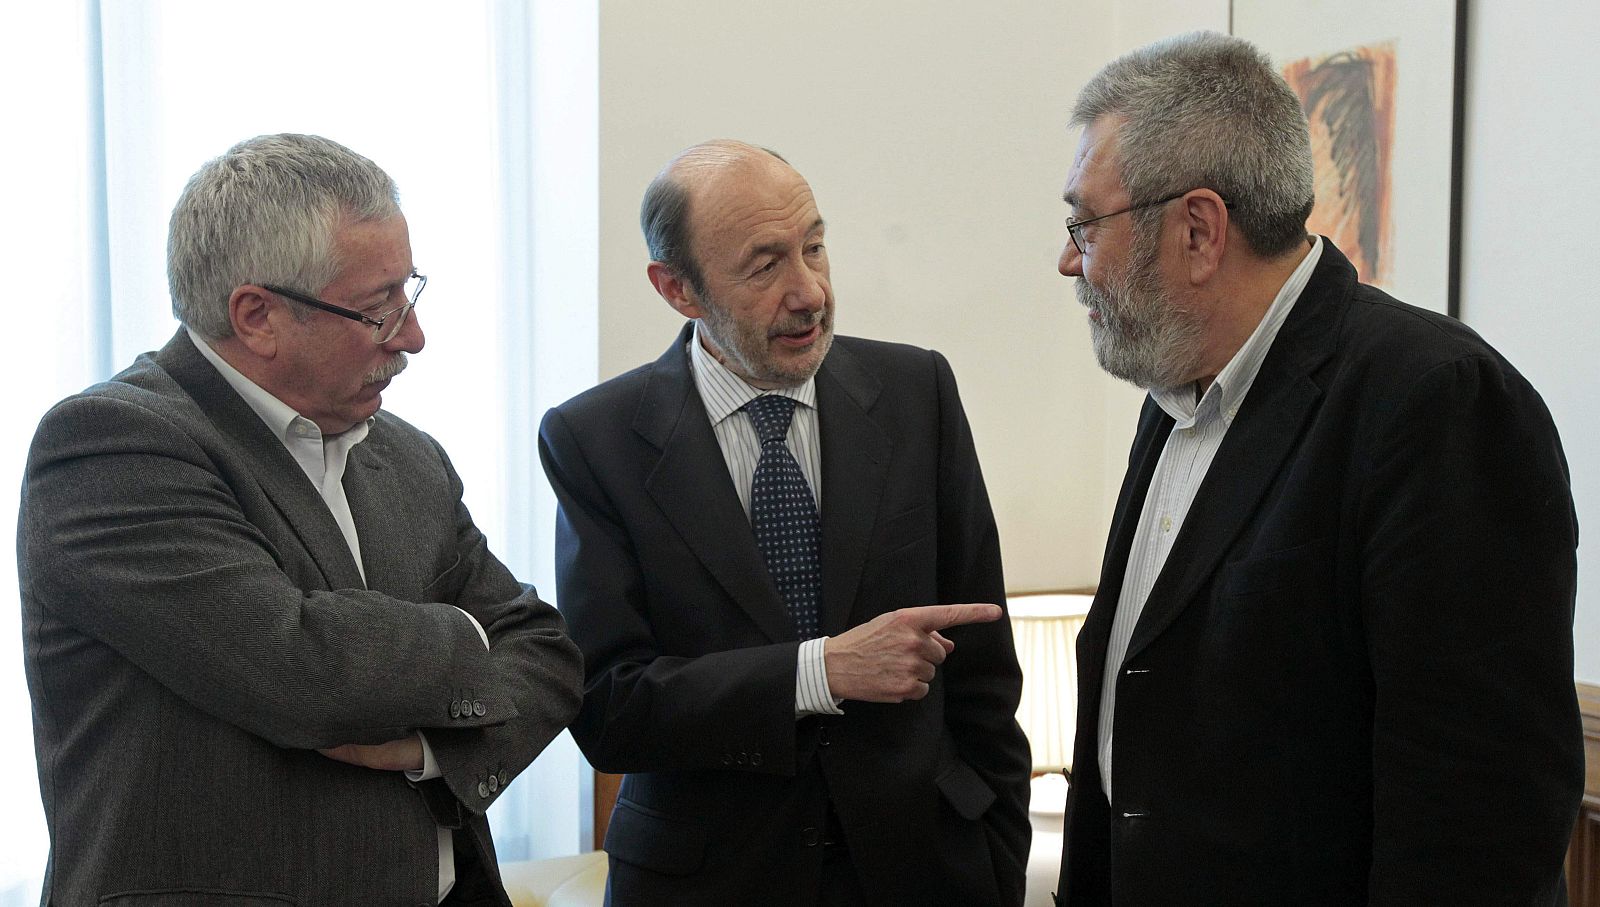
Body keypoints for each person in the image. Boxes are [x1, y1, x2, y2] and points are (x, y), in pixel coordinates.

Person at [1053, 32, 1583, 905]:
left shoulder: (1436, 400)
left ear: (1197, 230)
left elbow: (1481, 822)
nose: (1071, 260)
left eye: (1084, 224)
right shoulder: (1177, 388)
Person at [17, 133, 584, 906]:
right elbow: (299, 670)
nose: (412, 337)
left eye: (408, 293)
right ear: (256, 316)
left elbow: (549, 653)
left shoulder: (407, 456)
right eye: (378, 308)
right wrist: (471, 636)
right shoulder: (112, 447)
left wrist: (427, 745)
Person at [539, 140, 1030, 906]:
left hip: (924, 871)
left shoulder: (916, 391)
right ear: (678, 289)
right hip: (708, 883)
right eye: (765, 265)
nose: (809, 292)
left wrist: (997, 853)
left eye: (814, 247)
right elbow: (611, 706)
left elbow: (984, 666)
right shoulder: (595, 440)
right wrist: (819, 670)